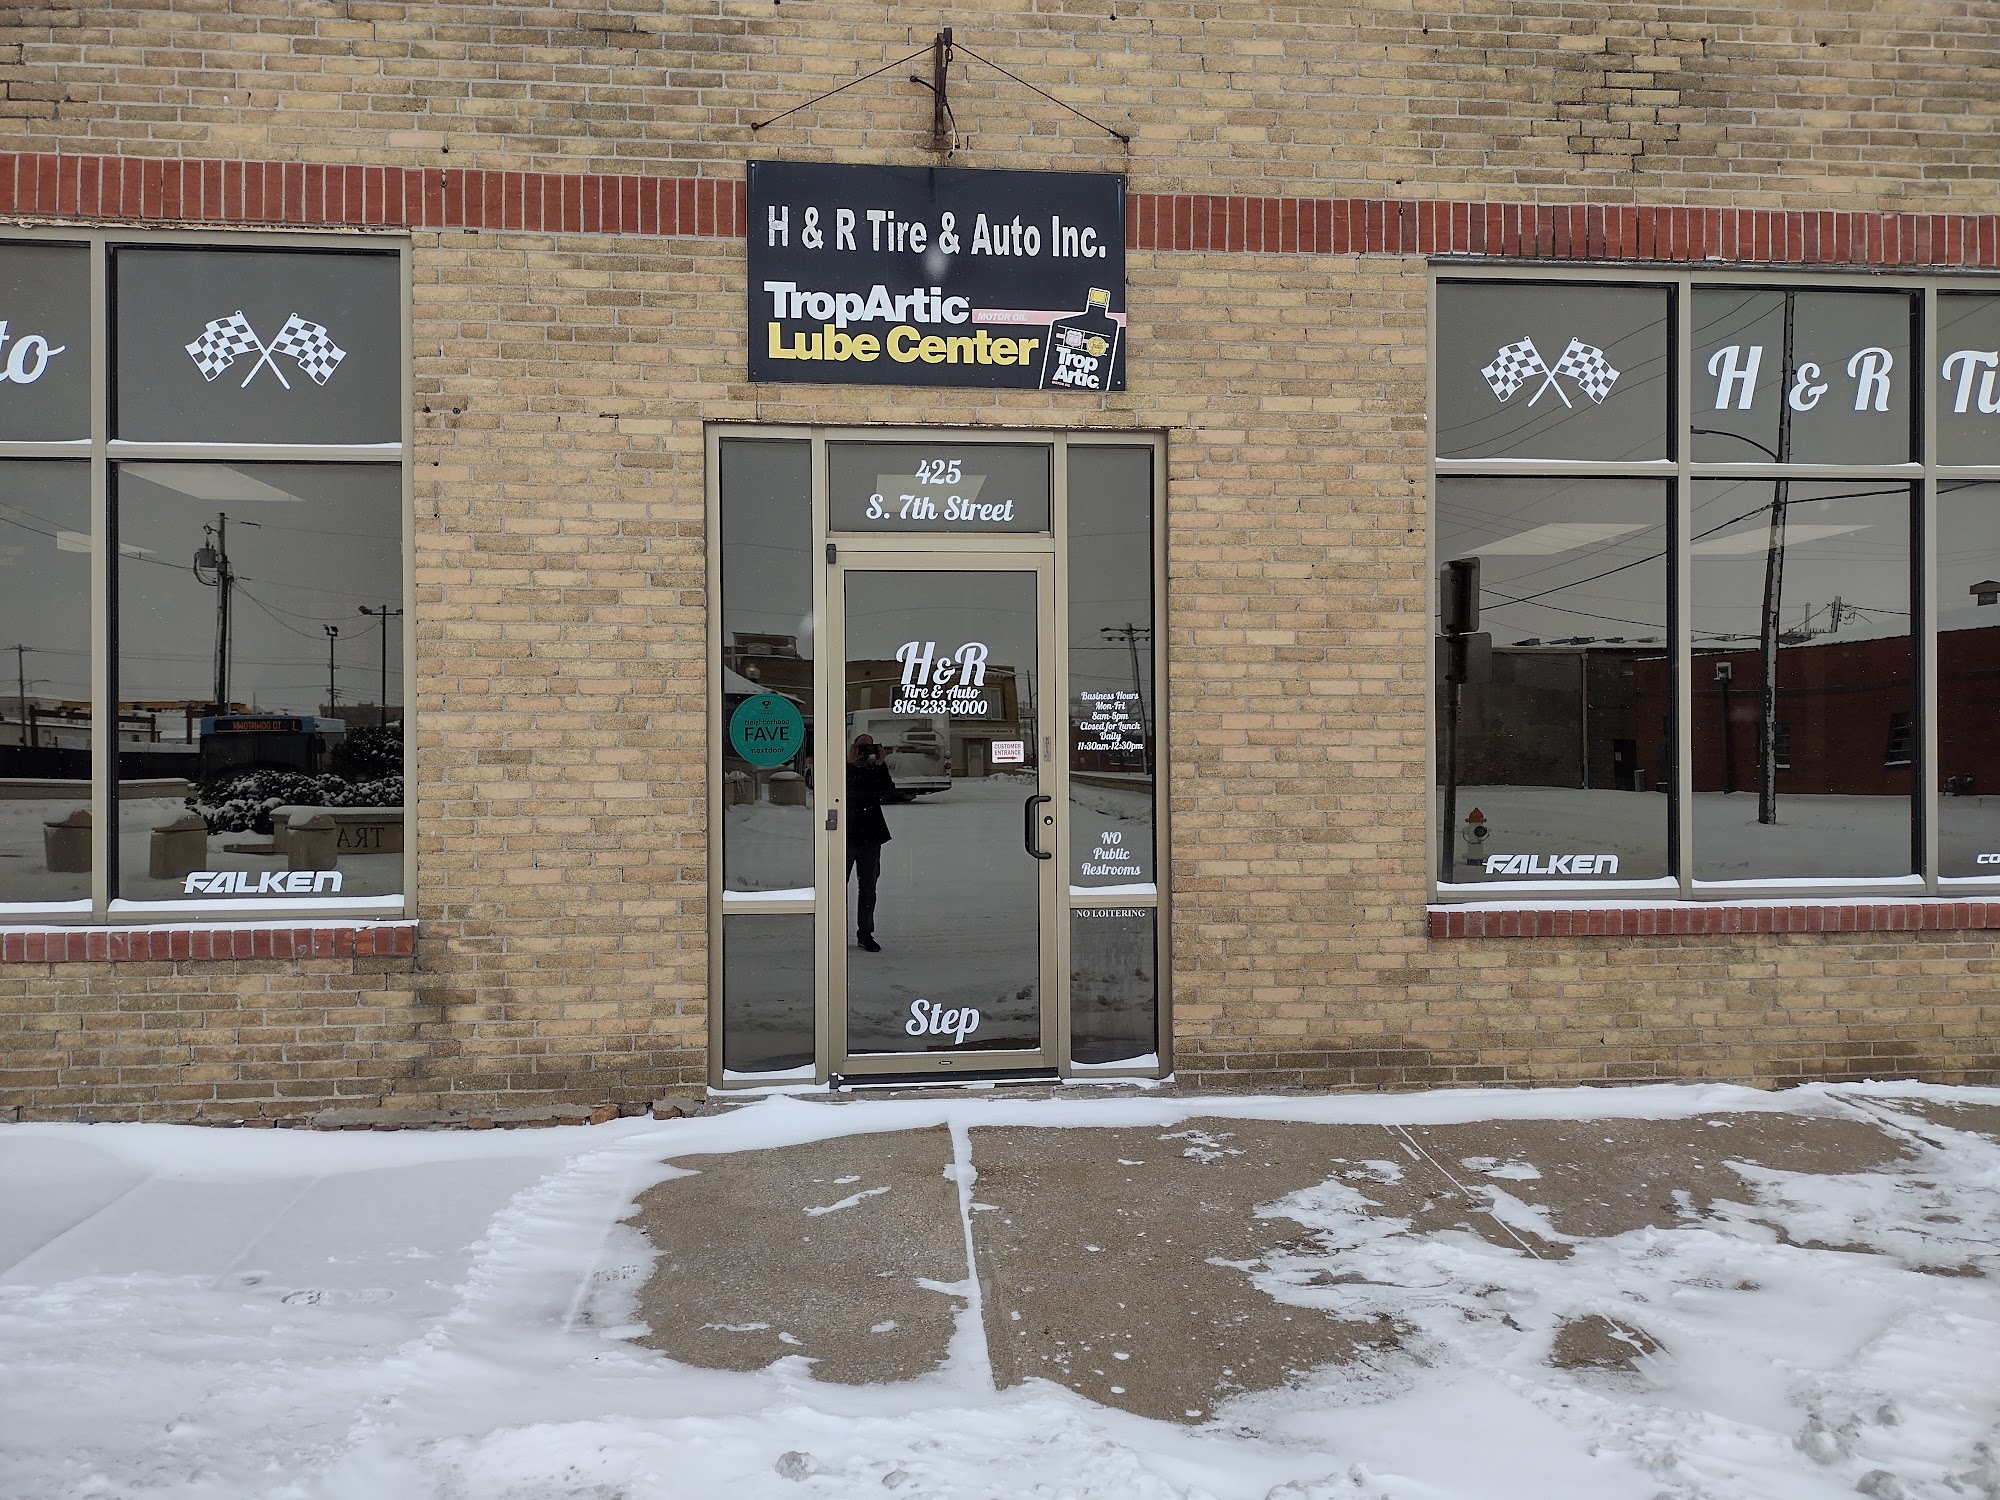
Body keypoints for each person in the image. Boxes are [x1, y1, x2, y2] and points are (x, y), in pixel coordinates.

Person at [846, 733, 896, 952]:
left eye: (868, 747)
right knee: (836, 887)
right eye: (861, 746)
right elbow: (841, 792)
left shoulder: (874, 770)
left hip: (870, 836)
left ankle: (865, 933)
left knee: (868, 888)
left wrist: (880, 764)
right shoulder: (843, 769)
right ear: (853, 747)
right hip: (845, 835)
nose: (864, 751)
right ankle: (833, 932)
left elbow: (887, 792)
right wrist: (850, 765)